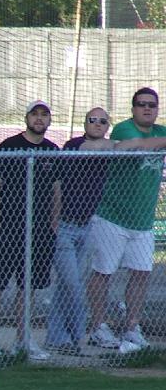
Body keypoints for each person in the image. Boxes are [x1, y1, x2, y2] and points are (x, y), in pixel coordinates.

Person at [84, 87, 166, 354]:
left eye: (152, 105)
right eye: (141, 105)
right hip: (113, 217)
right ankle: (98, 326)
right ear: (133, 108)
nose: (147, 109)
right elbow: (140, 146)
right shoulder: (123, 129)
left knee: (142, 273)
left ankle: (132, 327)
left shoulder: (161, 132)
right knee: (103, 272)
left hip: (143, 221)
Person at [0, 100, 60, 362]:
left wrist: (53, 225)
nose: (39, 119)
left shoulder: (52, 151)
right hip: (10, 228)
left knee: (28, 288)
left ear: (49, 120)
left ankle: (23, 340)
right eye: (35, 114)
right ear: (26, 118)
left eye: (44, 115)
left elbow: (57, 191)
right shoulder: (9, 146)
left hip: (38, 232)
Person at [44, 107, 110, 354]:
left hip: (87, 226)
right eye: (93, 120)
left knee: (66, 285)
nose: (97, 124)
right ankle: (79, 338)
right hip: (64, 227)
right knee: (72, 285)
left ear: (107, 126)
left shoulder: (108, 151)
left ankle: (56, 338)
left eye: (103, 121)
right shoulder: (75, 145)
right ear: (85, 124)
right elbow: (96, 148)